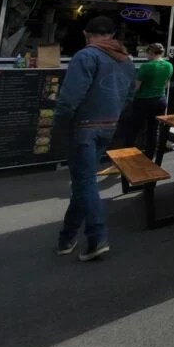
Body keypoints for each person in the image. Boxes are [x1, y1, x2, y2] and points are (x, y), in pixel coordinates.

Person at [54, 15, 135, 261]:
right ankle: (66, 238)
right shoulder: (126, 60)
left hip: (84, 126)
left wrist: (59, 125)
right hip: (108, 125)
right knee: (84, 181)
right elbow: (130, 94)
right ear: (112, 36)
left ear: (86, 34)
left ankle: (97, 236)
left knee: (85, 181)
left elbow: (70, 98)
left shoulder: (86, 56)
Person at [126, 43, 173, 158]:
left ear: (150, 52)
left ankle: (126, 156)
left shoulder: (146, 66)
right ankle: (149, 156)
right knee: (153, 129)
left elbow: (137, 87)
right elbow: (166, 85)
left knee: (133, 129)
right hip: (160, 100)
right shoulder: (169, 65)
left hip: (143, 100)